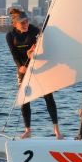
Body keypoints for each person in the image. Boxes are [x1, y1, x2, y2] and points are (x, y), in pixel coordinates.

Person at [6, 8, 64, 140]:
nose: (26, 24)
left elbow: (47, 51)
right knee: (24, 99)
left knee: (48, 97)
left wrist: (33, 55)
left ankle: (57, 131)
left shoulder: (35, 31)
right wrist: (20, 66)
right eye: (22, 23)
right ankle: (28, 130)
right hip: (22, 68)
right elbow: (14, 55)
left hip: (39, 64)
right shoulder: (10, 36)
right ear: (15, 24)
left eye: (26, 21)